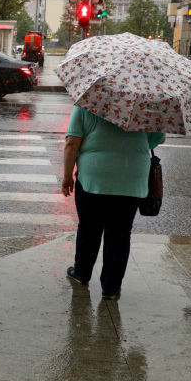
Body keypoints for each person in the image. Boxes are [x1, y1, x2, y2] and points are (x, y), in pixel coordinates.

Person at [61, 105, 165, 299]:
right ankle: (111, 288)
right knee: (120, 233)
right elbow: (156, 139)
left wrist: (67, 177)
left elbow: (71, 142)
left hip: (95, 177)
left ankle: (82, 273)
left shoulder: (87, 104)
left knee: (89, 228)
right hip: (131, 179)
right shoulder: (148, 105)